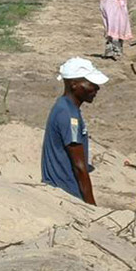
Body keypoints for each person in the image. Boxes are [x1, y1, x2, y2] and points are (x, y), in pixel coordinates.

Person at [41, 57, 109, 204]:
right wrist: (92, 207)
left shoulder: (65, 107)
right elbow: (79, 167)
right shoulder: (68, 115)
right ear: (74, 85)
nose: (97, 88)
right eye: (91, 84)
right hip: (66, 193)